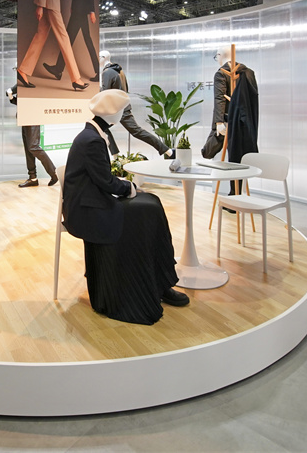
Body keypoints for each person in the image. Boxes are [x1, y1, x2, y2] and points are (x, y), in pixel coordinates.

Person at [62, 89, 189, 325]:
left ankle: (160, 282)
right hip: (88, 208)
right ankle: (157, 283)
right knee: (149, 208)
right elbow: (105, 181)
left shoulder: (92, 134)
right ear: (112, 113)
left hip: (92, 200)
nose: (123, 115)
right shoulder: (92, 140)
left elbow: (101, 178)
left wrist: (127, 187)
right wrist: (130, 187)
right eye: (122, 111)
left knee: (151, 203)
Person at [202, 46, 258, 196]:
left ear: (220, 55)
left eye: (217, 56)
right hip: (246, 122)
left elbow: (219, 99)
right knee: (239, 158)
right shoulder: (249, 72)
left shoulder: (222, 73)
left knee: (231, 158)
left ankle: (234, 195)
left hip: (230, 122)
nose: (217, 60)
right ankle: (236, 193)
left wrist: (219, 123)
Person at [99, 50, 173, 158]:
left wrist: (97, 88)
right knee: (134, 131)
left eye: (98, 57)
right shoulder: (119, 70)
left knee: (103, 127)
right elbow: (125, 89)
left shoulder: (107, 72)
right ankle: (166, 150)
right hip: (122, 107)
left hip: (116, 109)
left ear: (103, 58)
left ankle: (116, 155)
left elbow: (104, 93)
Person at [42, 0, 100, 83]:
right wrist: (73, 6)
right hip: (78, 8)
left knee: (68, 38)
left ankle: (59, 68)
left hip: (81, 9)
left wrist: (91, 10)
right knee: (80, 39)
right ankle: (60, 68)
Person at [6, 79, 59, 187]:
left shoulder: (29, 81)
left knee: (33, 147)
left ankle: (53, 173)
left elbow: (12, 91)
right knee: (28, 148)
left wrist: (11, 92)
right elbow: (22, 102)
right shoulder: (23, 83)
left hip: (33, 117)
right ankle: (33, 178)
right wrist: (11, 97)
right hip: (24, 117)